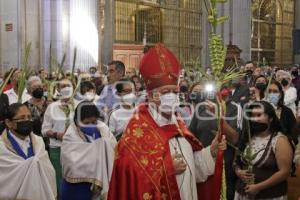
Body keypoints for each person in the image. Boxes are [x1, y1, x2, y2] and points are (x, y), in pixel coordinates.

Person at [108, 44, 226, 200]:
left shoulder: (179, 125)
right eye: (165, 92)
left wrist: (211, 150)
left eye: (175, 92)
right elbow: (129, 176)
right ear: (150, 95)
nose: (171, 96)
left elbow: (193, 169)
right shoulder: (137, 130)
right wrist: (166, 170)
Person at [234, 101, 292, 200]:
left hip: (269, 195)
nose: (254, 119)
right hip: (243, 193)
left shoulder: (279, 140)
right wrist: (238, 171)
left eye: (259, 115)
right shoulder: (247, 137)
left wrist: (258, 187)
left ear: (271, 118)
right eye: (252, 116)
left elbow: (285, 172)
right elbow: (236, 161)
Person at [61, 101, 116, 200]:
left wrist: (103, 145)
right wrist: (98, 150)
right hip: (79, 187)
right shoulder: (70, 136)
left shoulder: (103, 129)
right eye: (86, 123)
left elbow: (113, 148)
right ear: (77, 121)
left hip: (102, 182)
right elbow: (72, 164)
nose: (91, 125)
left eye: (94, 122)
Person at [0, 103, 56, 199]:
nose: (27, 120)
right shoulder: (2, 147)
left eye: (29, 117)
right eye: (22, 118)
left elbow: (48, 171)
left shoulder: (38, 141)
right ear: (8, 123)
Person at [42, 78, 74, 195]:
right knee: (59, 180)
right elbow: (44, 130)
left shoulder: (79, 105)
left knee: (75, 178)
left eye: (68, 85)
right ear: (58, 89)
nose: (66, 88)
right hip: (57, 148)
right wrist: (56, 134)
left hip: (75, 149)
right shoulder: (52, 107)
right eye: (62, 86)